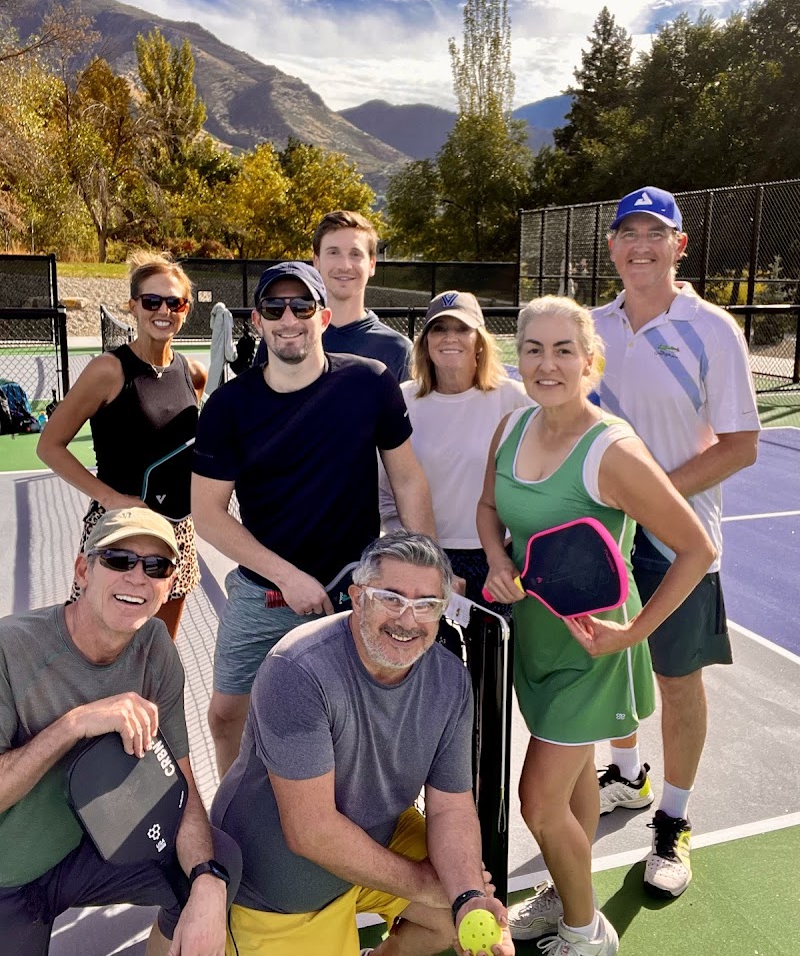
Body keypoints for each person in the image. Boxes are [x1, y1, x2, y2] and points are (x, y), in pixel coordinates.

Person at [477, 296, 715, 955]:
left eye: (563, 350)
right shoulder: (513, 428)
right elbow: (488, 507)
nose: (547, 363)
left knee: (539, 803)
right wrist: (498, 558)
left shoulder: (613, 450)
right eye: (533, 349)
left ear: (589, 360)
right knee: (576, 781)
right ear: (516, 355)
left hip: (593, 652)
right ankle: (566, 886)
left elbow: (696, 548)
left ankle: (587, 934)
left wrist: (632, 634)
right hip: (534, 638)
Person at [211, 531, 515, 956]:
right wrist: (430, 885)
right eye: (391, 598)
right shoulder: (297, 670)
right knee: (440, 890)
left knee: (455, 898)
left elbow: (451, 806)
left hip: (377, 840)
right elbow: (311, 832)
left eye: (426, 605)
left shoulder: (450, 680)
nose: (408, 620)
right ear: (357, 597)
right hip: (278, 891)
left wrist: (465, 898)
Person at [192, 261, 436, 777]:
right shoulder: (228, 406)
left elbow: (408, 479)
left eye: (302, 306)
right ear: (257, 322)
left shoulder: (369, 383)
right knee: (227, 714)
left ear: (324, 316)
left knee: (358, 717)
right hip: (265, 592)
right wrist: (286, 576)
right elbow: (208, 515)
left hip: (356, 592)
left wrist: (424, 572)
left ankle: (350, 821)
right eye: (274, 307)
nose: (289, 318)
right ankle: (237, 815)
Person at [591, 186, 760, 896]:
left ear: (678, 247)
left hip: (679, 536)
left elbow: (742, 445)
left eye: (654, 234)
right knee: (606, 666)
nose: (640, 245)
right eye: (628, 233)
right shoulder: (590, 325)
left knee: (675, 679)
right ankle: (627, 775)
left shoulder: (714, 329)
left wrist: (653, 490)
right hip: (599, 531)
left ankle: (674, 819)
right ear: (612, 248)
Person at [0, 507, 241, 956]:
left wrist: (207, 880)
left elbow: (180, 783)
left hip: (97, 848)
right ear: (83, 570)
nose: (137, 577)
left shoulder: (155, 650)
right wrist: (74, 724)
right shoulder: (10, 647)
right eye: (118, 559)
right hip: (10, 871)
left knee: (219, 861)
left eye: (156, 567)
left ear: (170, 584)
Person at [378, 290, 530, 894]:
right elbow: (389, 488)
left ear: (478, 339)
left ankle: (478, 845)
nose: (450, 339)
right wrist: (426, 564)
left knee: (481, 707)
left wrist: (502, 559)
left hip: (491, 566)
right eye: (439, 329)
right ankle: (417, 829)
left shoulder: (510, 399)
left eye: (461, 330)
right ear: (425, 340)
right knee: (419, 701)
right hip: (424, 564)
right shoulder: (405, 399)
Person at [38, 251, 207, 640]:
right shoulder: (107, 371)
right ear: (133, 306)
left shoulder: (193, 372)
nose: (163, 310)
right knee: (97, 644)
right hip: (120, 530)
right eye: (152, 301)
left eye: (174, 302)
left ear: (185, 309)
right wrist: (111, 498)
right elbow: (50, 445)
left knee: (158, 649)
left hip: (176, 532)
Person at [254, 210, 412, 378]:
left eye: (355, 254)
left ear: (372, 264)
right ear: (316, 261)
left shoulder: (398, 350)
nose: (344, 265)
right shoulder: (287, 338)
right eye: (333, 252)